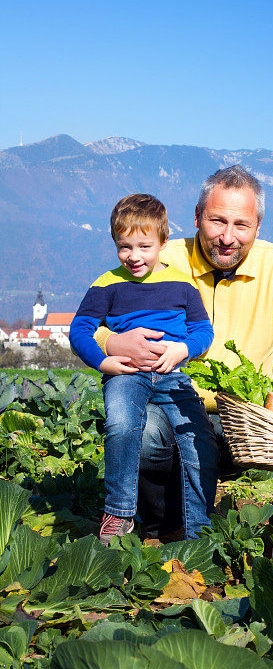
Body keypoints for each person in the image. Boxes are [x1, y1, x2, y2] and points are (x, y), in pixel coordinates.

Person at [94, 167, 273, 537]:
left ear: (258, 227)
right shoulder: (163, 259)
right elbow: (98, 316)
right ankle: (164, 523)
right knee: (143, 433)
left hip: (253, 418)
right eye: (217, 221)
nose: (228, 237)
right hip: (175, 406)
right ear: (196, 218)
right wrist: (112, 343)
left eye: (241, 225)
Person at [69, 193, 217, 544]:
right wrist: (103, 361)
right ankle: (119, 514)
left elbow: (203, 331)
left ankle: (199, 532)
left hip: (173, 375)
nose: (134, 257)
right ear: (115, 243)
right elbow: (79, 330)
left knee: (200, 442)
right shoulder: (106, 285)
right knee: (121, 425)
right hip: (126, 375)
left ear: (163, 242)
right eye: (125, 247)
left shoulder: (183, 284)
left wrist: (183, 348)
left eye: (144, 246)